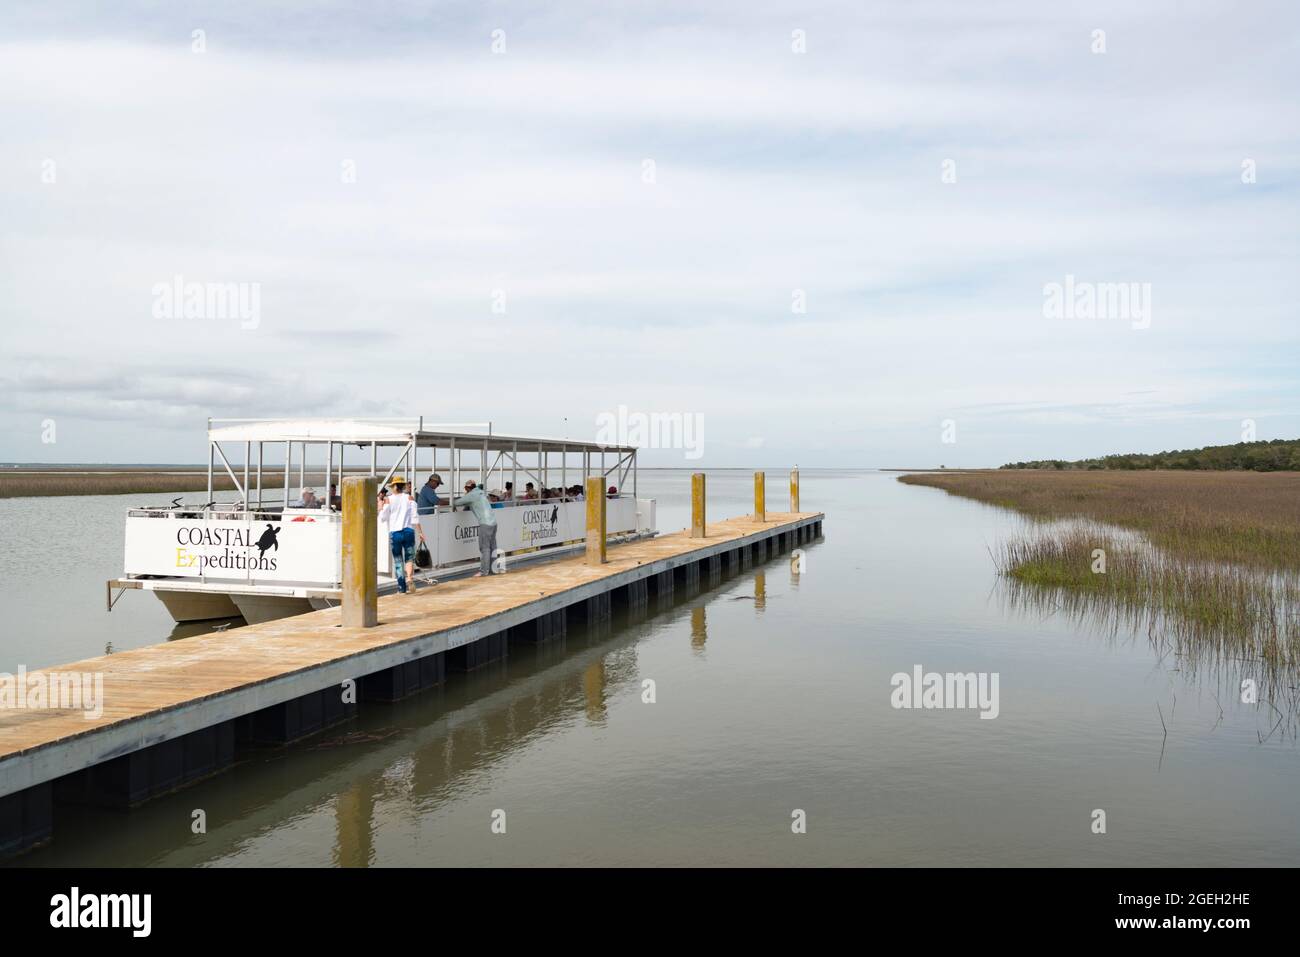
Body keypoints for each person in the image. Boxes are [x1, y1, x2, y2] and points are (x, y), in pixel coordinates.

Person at [379, 478, 422, 593]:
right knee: (409, 559)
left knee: (398, 561)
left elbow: (383, 518)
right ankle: (409, 578)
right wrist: (420, 532)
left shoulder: (388, 499)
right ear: (403, 486)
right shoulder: (409, 498)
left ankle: (401, 588)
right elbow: (415, 517)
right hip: (408, 532)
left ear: (394, 487)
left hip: (395, 533)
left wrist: (380, 506)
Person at [454, 479, 499, 576]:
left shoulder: (471, 495)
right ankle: (494, 569)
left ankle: (484, 571)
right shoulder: (480, 492)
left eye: (465, 489)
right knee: (493, 547)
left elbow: (457, 503)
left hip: (485, 523)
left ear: (467, 488)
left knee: (485, 548)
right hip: (493, 523)